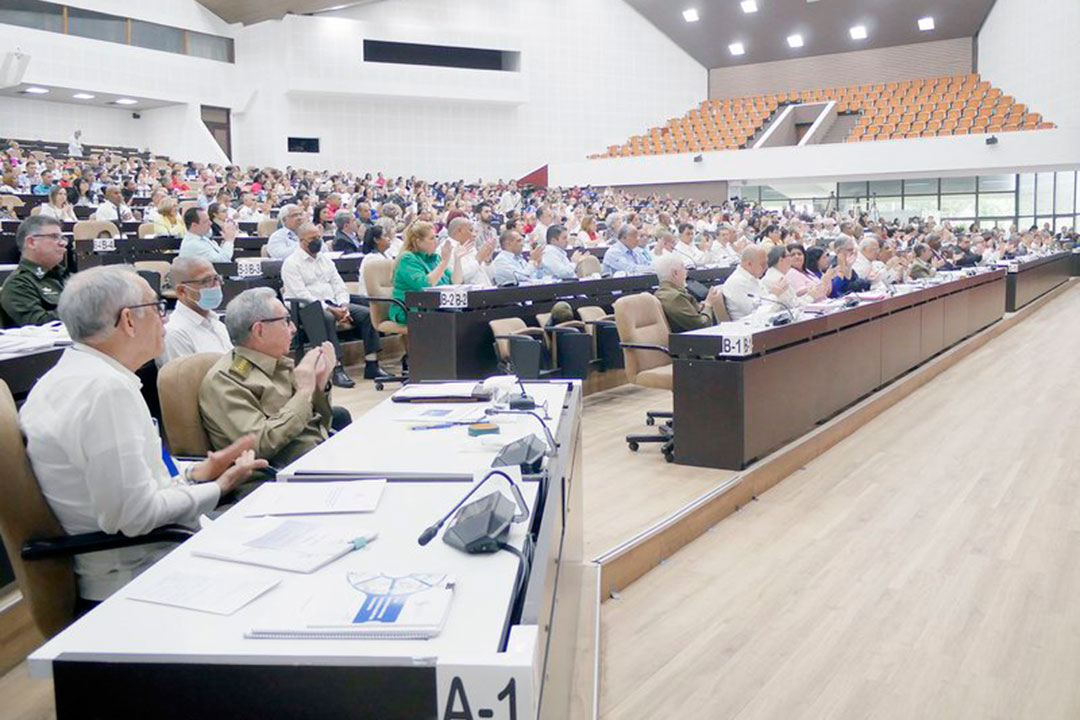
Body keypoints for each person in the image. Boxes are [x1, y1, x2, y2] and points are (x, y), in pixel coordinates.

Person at [20, 266, 265, 604]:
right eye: (155, 308)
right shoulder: (105, 391)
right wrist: (218, 487)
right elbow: (135, 516)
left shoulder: (75, 375)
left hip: (147, 554)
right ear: (128, 321)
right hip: (139, 574)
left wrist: (196, 474)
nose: (164, 320)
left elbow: (134, 481)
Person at [199, 288, 335, 468]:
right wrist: (303, 392)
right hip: (276, 475)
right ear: (260, 330)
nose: (293, 328)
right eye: (286, 321)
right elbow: (260, 445)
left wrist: (319, 384)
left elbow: (319, 424)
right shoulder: (226, 380)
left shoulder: (278, 363)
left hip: (312, 455)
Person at [281, 222, 386, 386]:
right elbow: (301, 294)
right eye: (313, 238)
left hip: (334, 302)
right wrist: (331, 308)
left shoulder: (325, 259)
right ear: (301, 240)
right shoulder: (291, 263)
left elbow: (338, 284)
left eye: (319, 237)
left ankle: (372, 364)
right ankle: (336, 369)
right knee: (327, 317)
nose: (318, 241)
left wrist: (343, 305)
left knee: (367, 314)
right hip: (306, 307)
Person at [157, 257, 231, 366]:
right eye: (207, 281)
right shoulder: (174, 334)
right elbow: (185, 381)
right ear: (182, 291)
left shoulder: (217, 324)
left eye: (216, 278)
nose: (216, 286)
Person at [0, 216, 72, 326]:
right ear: (31, 242)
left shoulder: (66, 277)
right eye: (54, 237)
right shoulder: (19, 284)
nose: (63, 243)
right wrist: (82, 311)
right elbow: (40, 325)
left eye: (62, 238)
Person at [389, 221, 456, 325]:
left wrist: (458, 259)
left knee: (468, 314)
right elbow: (425, 285)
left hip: (436, 305)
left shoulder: (435, 257)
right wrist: (444, 263)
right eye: (432, 238)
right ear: (418, 241)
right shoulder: (407, 258)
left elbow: (454, 281)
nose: (436, 241)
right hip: (410, 309)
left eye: (436, 237)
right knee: (455, 320)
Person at [654, 254, 723, 332]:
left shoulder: (662, 293)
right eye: (683, 268)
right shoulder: (675, 297)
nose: (686, 272)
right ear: (675, 273)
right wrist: (708, 304)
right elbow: (702, 325)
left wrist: (702, 306)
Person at [721, 245, 768, 321]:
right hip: (747, 327)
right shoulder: (736, 282)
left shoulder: (754, 278)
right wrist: (774, 296)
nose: (766, 267)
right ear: (749, 264)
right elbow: (754, 311)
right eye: (763, 264)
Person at [449, 216, 495, 287]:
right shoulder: (447, 249)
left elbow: (491, 277)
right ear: (459, 231)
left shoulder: (470, 247)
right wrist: (479, 259)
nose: (474, 235)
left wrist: (487, 260)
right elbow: (459, 280)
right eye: (470, 230)